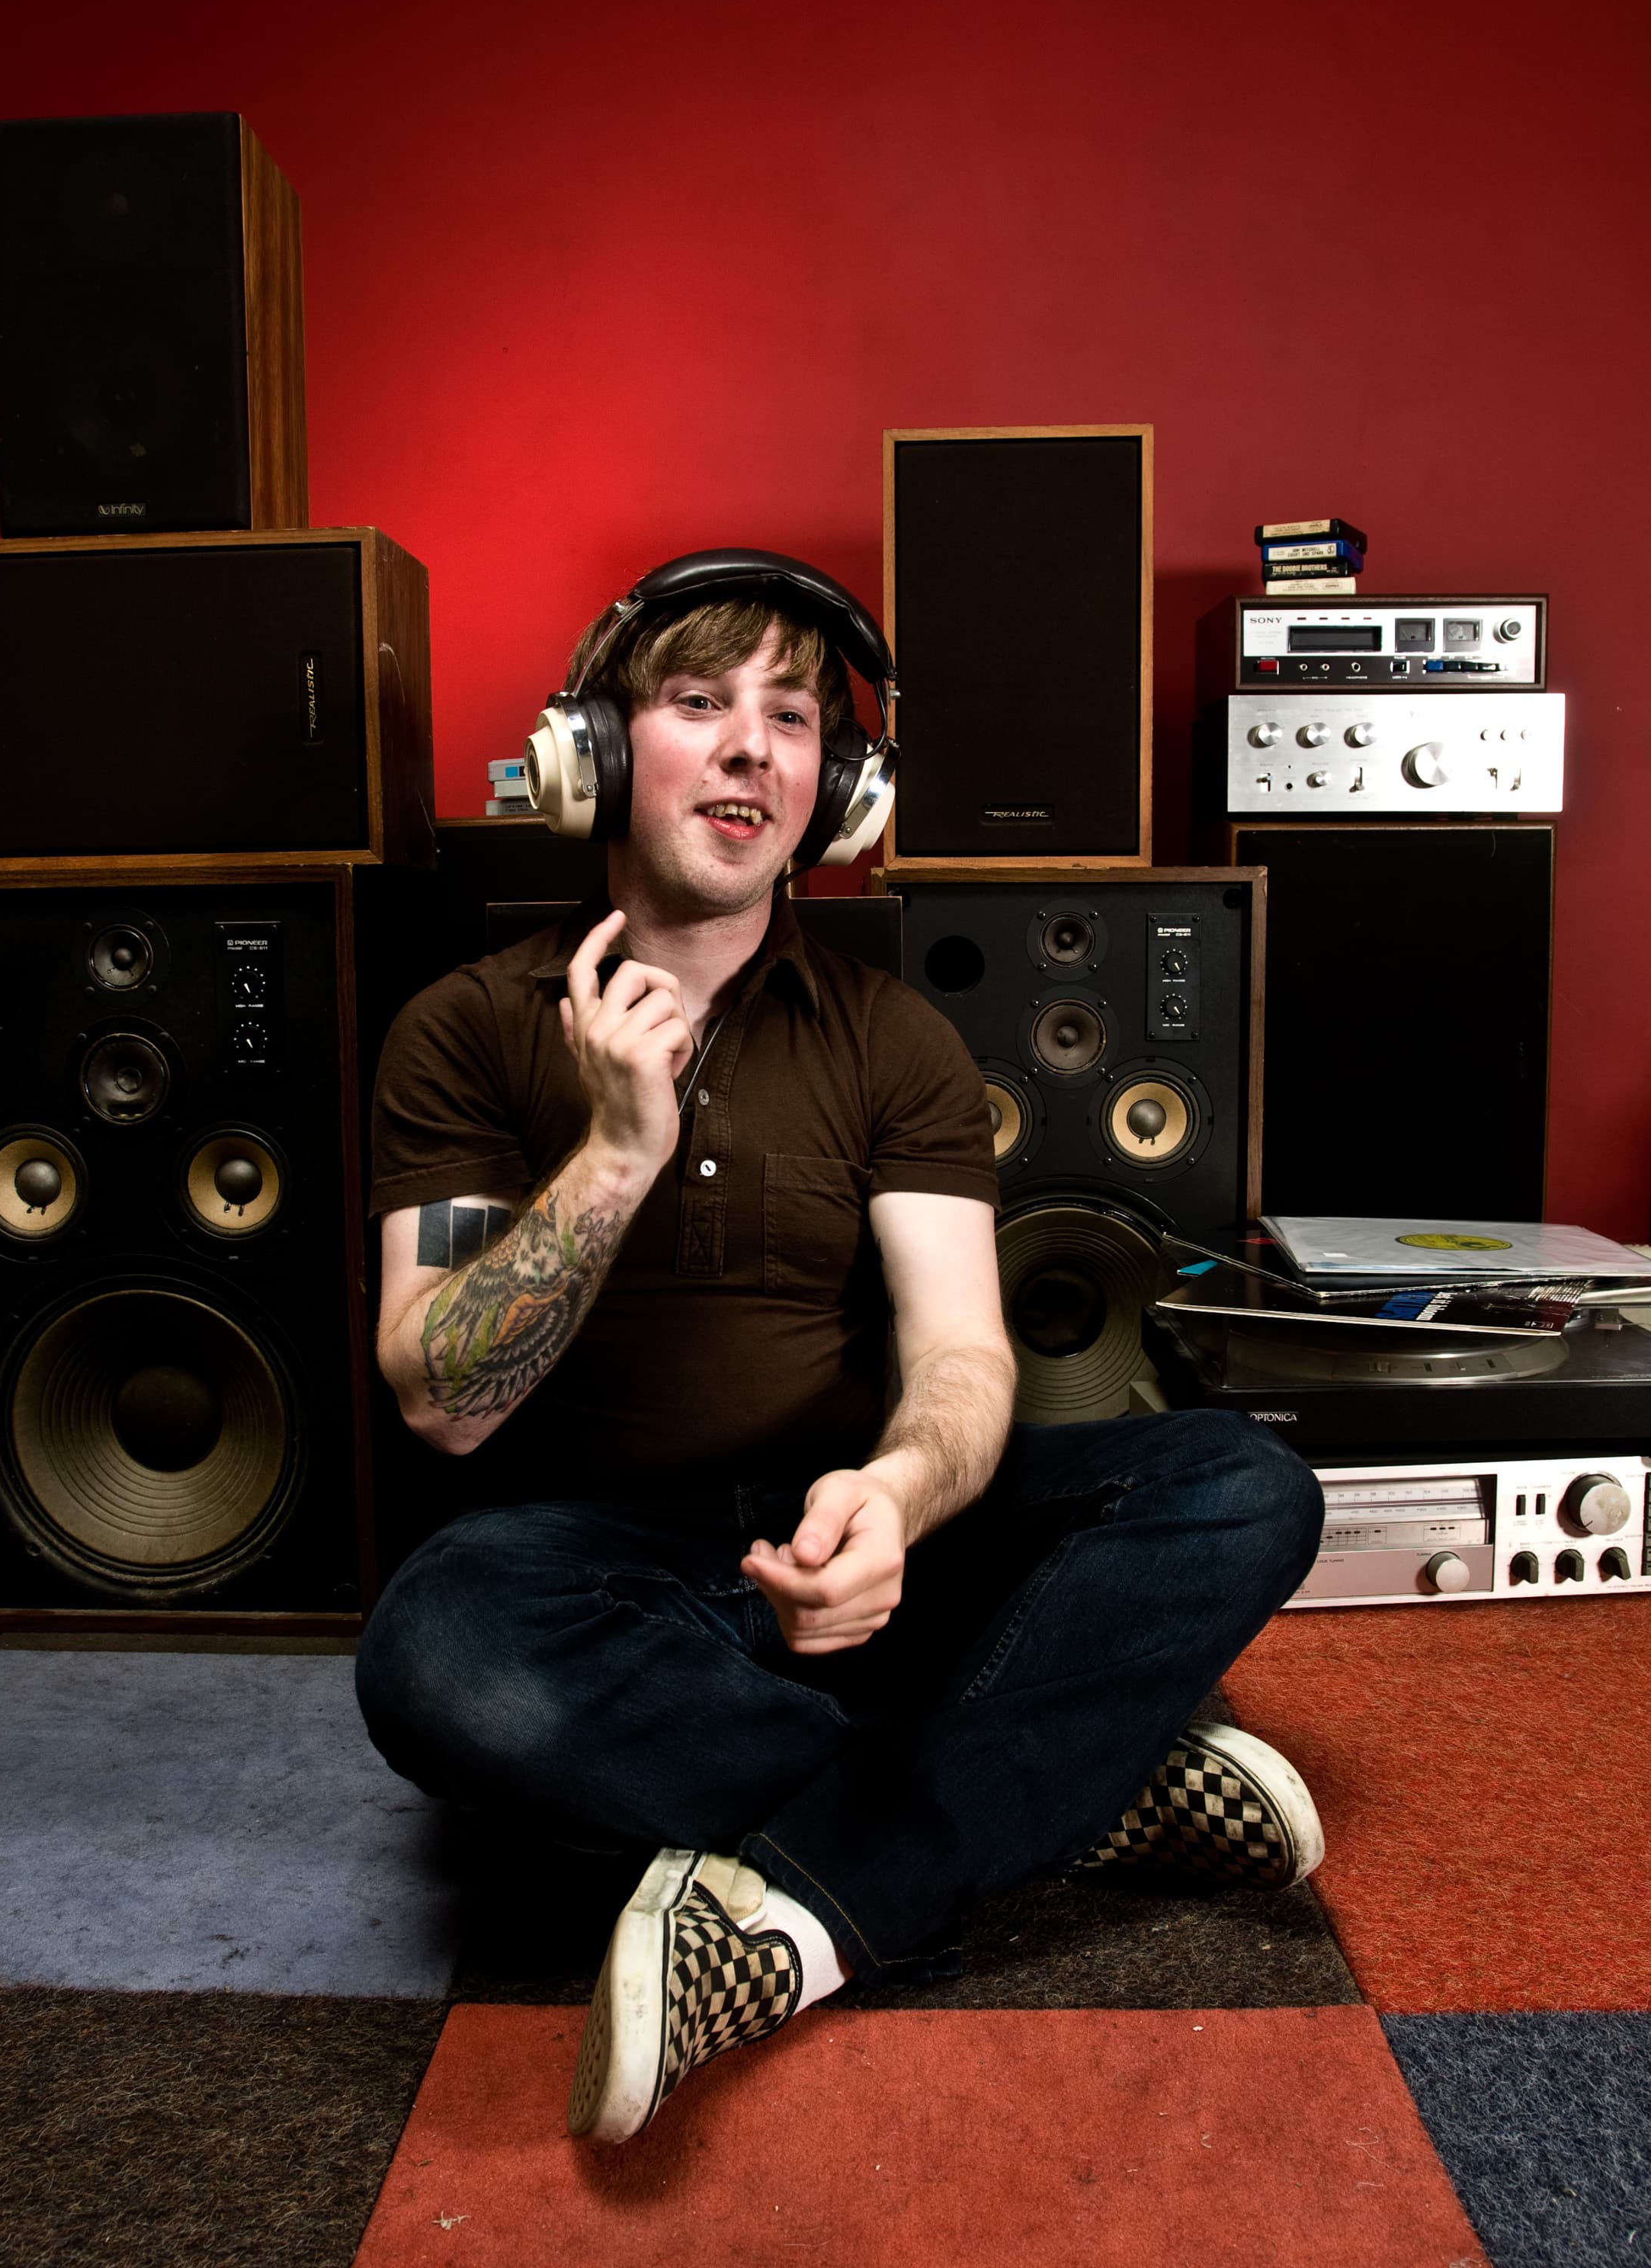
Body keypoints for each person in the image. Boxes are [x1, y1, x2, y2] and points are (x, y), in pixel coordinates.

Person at [355, 553, 1326, 2145]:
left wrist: (898, 1496)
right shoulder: (465, 1027)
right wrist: (614, 1150)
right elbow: (443, 1401)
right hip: (599, 1576)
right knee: (435, 1656)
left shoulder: (897, 1040)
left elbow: (961, 1358)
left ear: (840, 788)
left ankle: (817, 1887)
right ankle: (1064, 1791)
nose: (751, 748)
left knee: (1239, 1484)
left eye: (793, 717)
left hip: (846, 1544)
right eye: (698, 703)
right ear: (594, 750)